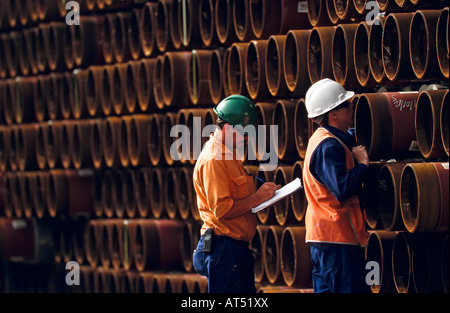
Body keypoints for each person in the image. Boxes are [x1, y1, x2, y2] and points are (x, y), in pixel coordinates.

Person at [192, 95, 279, 293]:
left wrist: (266, 198)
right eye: (244, 133)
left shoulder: (227, 154)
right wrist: (257, 198)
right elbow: (222, 209)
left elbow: (239, 198)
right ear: (228, 127)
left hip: (233, 250)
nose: (247, 138)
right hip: (224, 250)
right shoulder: (214, 159)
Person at [302, 78, 370, 293]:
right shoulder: (328, 147)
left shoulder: (326, 139)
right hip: (337, 240)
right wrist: (363, 165)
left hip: (326, 238)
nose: (352, 106)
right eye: (347, 104)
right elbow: (342, 188)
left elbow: (344, 142)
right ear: (334, 114)